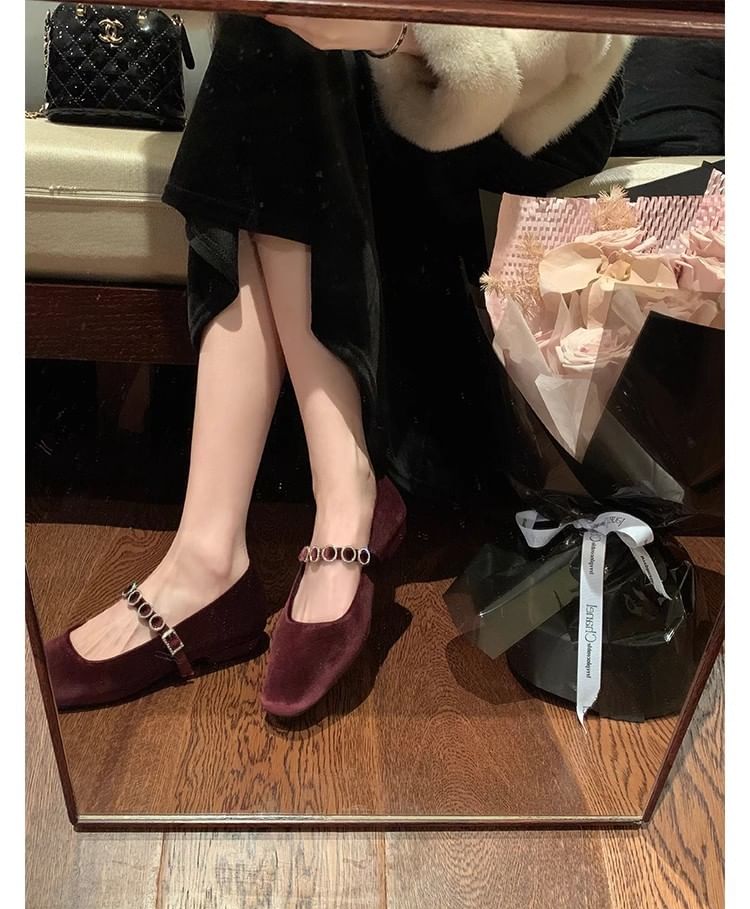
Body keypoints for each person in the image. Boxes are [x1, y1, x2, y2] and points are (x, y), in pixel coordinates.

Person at [45, 14, 632, 717]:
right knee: (270, 31)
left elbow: (575, 34)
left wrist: (398, 33)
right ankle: (236, 538)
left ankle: (256, 537)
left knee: (285, 49)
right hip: (355, 89)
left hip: (532, 103)